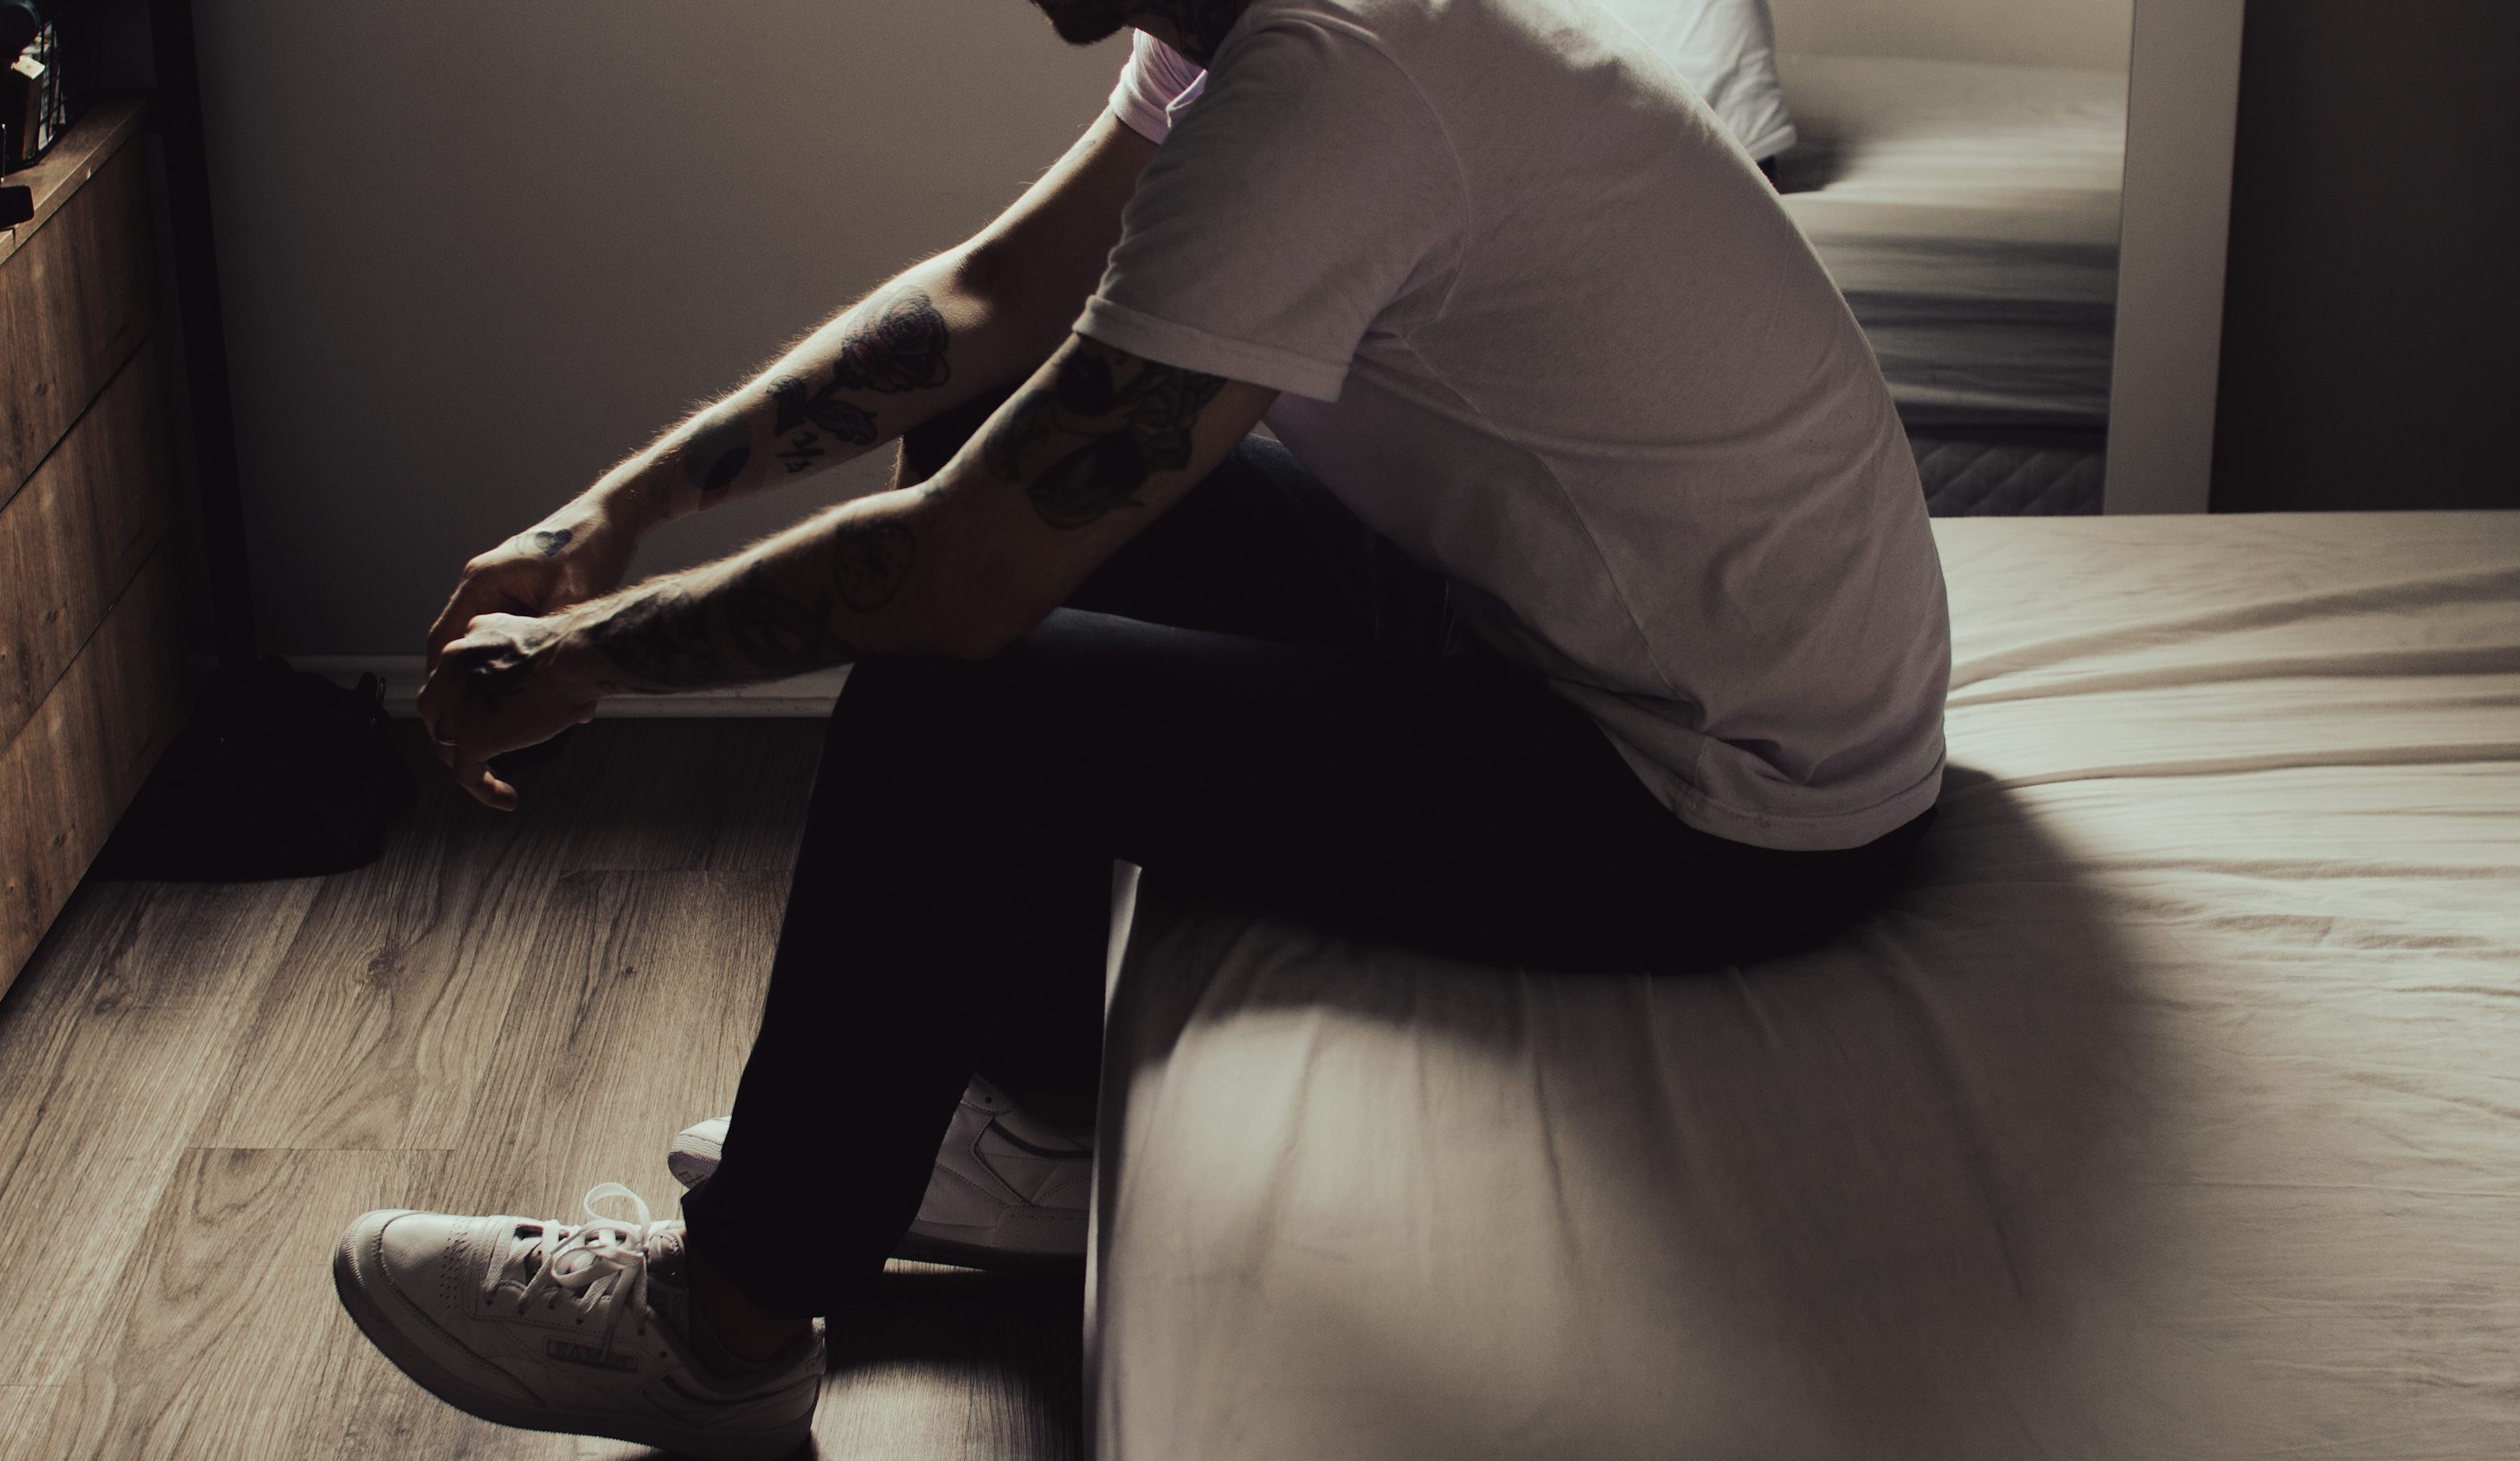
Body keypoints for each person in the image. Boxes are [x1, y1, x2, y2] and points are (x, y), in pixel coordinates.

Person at [327, 0, 1949, 1453]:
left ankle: (719, 1337)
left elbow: (960, 583)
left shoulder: (1334, 91)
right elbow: (981, 303)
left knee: (963, 698)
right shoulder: (1238, 32)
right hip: (1556, 633)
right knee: (1002, 421)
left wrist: (585, 659)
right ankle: (1042, 1124)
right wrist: (615, 514)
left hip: (1715, 799)